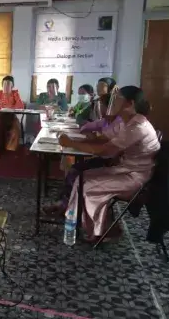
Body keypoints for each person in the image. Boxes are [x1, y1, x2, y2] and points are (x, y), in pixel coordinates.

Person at [58, 86, 160, 242]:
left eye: (117, 98)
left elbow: (104, 151)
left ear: (129, 104)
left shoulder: (137, 126)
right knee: (81, 177)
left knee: (88, 184)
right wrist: (77, 141)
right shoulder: (129, 122)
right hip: (124, 170)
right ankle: (74, 220)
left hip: (134, 178)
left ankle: (102, 231)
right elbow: (105, 139)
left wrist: (71, 143)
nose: (112, 101)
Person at [44, 94, 123, 217]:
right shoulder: (106, 120)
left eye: (100, 106)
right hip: (103, 157)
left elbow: (101, 145)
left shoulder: (118, 123)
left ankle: (68, 206)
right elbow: (86, 127)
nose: (98, 110)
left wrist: (77, 141)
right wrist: (90, 133)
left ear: (109, 107)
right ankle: (65, 203)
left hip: (112, 164)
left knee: (76, 171)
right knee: (74, 167)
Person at [0, 76, 25, 157]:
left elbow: (20, 106)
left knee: (16, 128)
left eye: (9, 84)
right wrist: (1, 108)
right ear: (2, 85)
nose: (6, 86)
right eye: (4, 84)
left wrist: (8, 108)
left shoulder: (15, 93)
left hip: (12, 116)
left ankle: (11, 149)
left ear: (12, 86)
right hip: (0, 116)